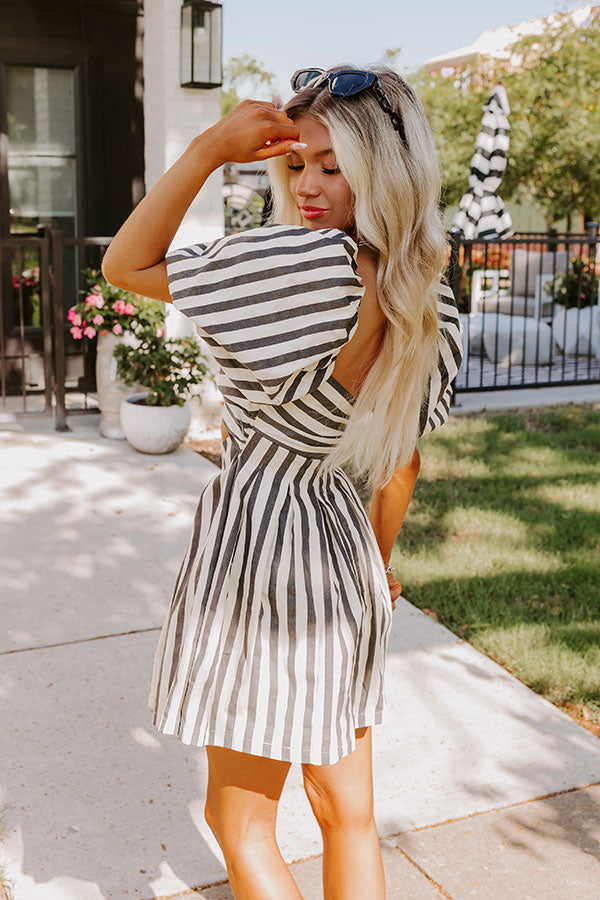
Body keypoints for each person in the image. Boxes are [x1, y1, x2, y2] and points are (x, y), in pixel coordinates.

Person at [102, 64, 462, 900]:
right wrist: (376, 563)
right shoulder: (423, 291)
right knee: (348, 815)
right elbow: (400, 461)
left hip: (263, 556)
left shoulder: (303, 267)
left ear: (382, 170)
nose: (307, 185)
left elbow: (125, 263)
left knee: (241, 824)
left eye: (333, 167)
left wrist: (205, 150)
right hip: (342, 555)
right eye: (297, 163)